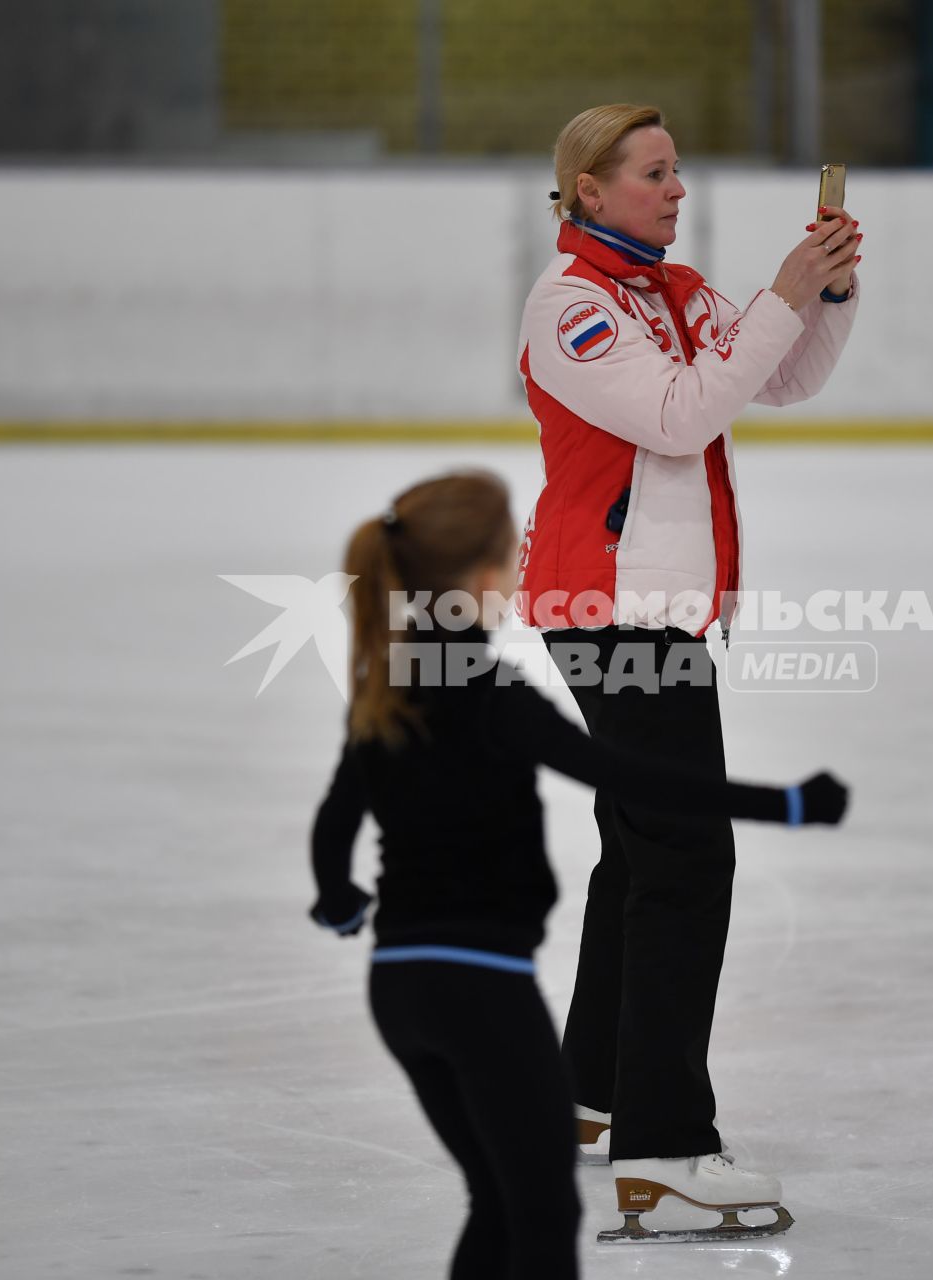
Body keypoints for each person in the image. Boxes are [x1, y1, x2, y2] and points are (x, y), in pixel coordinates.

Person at [306, 470, 848, 1273]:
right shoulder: (497, 700)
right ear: (492, 578)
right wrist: (787, 806)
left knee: (500, 1198)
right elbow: (641, 779)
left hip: (397, 986)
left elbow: (334, 825)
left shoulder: (385, 694)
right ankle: (661, 1154)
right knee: (539, 1208)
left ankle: (593, 1097)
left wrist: (340, 898)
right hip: (486, 993)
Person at [512, 103, 860, 1241]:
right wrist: (774, 296)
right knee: (684, 852)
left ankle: (589, 1089)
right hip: (609, 605)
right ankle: (664, 1148)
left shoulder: (675, 288)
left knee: (642, 842)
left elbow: (785, 378)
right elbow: (679, 416)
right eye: (653, 174)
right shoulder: (572, 307)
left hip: (653, 606)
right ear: (590, 190)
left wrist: (826, 293)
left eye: (676, 171)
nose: (675, 189)